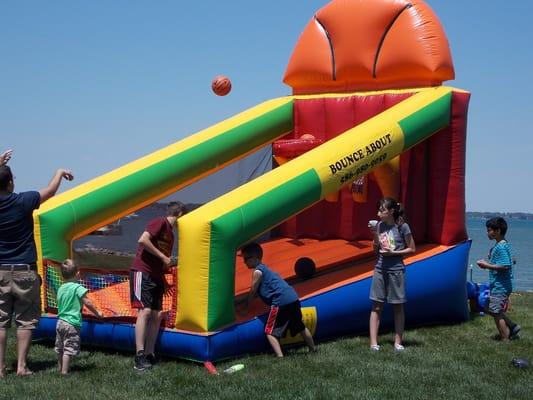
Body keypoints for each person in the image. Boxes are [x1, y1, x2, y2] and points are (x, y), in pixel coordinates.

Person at [0, 150, 73, 377]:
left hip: (0, 270)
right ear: (11, 182)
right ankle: (21, 366)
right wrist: (59, 172)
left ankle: (0, 368)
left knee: (1, 321)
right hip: (25, 271)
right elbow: (50, 191)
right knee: (25, 321)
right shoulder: (24, 200)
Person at [130, 201, 184, 371]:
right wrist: (162, 257)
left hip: (156, 276)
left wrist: (165, 279)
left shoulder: (171, 236)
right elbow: (143, 240)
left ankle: (149, 353)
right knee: (144, 311)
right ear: (181, 214)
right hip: (142, 272)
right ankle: (139, 355)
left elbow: (163, 261)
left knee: (156, 315)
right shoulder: (160, 222)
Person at [238, 242, 316, 357]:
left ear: (255, 258)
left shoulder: (258, 272)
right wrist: (238, 301)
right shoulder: (265, 269)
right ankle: (313, 349)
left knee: (270, 332)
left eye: (246, 259)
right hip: (293, 298)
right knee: (300, 326)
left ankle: (280, 357)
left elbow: (252, 292)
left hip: (280, 302)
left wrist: (245, 309)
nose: (244, 262)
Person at [368, 198, 415, 352]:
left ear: (391, 211)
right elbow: (376, 250)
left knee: (398, 306)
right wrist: (375, 235)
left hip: (396, 270)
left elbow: (412, 249)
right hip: (380, 268)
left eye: (382, 210)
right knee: (376, 306)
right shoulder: (380, 226)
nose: (378, 213)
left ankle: (398, 342)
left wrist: (394, 252)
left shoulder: (402, 227)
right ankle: (373, 343)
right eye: (379, 210)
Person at [476, 217, 520, 341]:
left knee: (495, 312)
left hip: (501, 286)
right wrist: (493, 255)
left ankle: (506, 339)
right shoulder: (503, 244)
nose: (487, 233)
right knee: (487, 307)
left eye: (489, 230)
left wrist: (486, 265)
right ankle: (512, 326)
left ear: (498, 231)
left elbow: (506, 265)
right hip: (500, 284)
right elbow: (513, 260)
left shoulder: (500, 247)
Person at [55, 259, 102, 375]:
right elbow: (88, 302)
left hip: (60, 322)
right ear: (77, 274)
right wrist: (97, 313)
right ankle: (64, 372)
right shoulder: (77, 288)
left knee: (60, 347)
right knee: (69, 348)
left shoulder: (61, 288)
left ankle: (59, 368)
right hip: (72, 323)